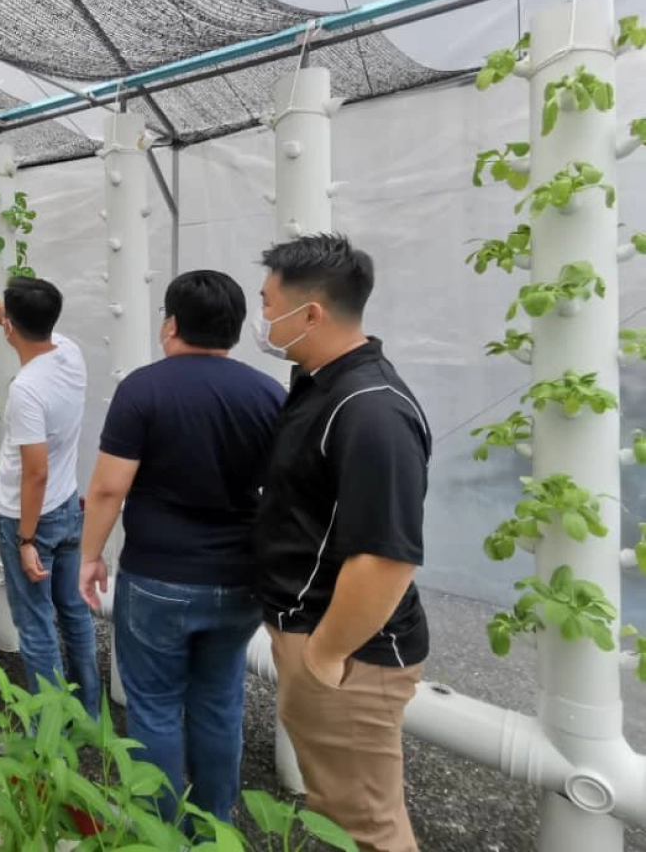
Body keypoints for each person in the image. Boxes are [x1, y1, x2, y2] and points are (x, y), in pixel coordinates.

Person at [78, 270, 284, 823]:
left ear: (170, 323)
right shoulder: (268, 394)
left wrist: (90, 555)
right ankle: (215, 825)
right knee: (219, 702)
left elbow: (107, 487)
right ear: (237, 329)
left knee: (156, 708)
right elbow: (285, 495)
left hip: (158, 580)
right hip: (240, 581)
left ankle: (158, 829)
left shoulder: (143, 389)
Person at [254, 233, 431, 852]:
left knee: (365, 824)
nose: (263, 319)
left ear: (311, 314)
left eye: (268, 304)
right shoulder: (322, 382)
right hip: (323, 638)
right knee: (337, 805)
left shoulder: (369, 410)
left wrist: (324, 655)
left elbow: (386, 558)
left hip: (352, 653)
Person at [0, 276, 100, 712]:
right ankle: (89, 711)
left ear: (10, 327)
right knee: (74, 611)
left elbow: (35, 472)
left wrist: (26, 541)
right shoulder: (68, 353)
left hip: (32, 518)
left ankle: (49, 728)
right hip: (67, 508)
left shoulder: (27, 389)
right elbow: (1, 312)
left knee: (36, 623)